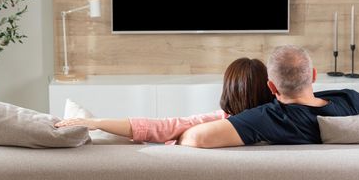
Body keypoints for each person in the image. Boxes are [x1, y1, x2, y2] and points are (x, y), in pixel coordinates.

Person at [176, 45, 359, 148]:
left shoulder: (267, 118)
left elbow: (195, 137)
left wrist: (180, 134)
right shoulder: (352, 100)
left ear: (272, 87)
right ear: (313, 75)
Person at [55, 57, 274, 143]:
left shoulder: (213, 125)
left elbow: (158, 128)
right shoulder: (290, 120)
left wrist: (97, 122)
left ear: (228, 90)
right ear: (269, 88)